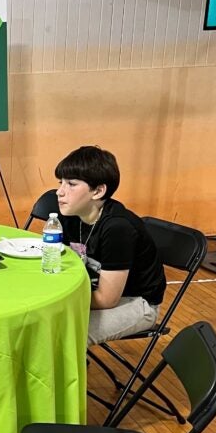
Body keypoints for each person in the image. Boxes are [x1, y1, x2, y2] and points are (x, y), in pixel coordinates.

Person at [54, 145, 166, 346]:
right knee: (49, 324)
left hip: (136, 303)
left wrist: (59, 302)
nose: (59, 192)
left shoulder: (118, 228)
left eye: (71, 184)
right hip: (93, 289)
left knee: (65, 334)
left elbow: (107, 299)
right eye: (60, 182)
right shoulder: (70, 214)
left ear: (98, 191)